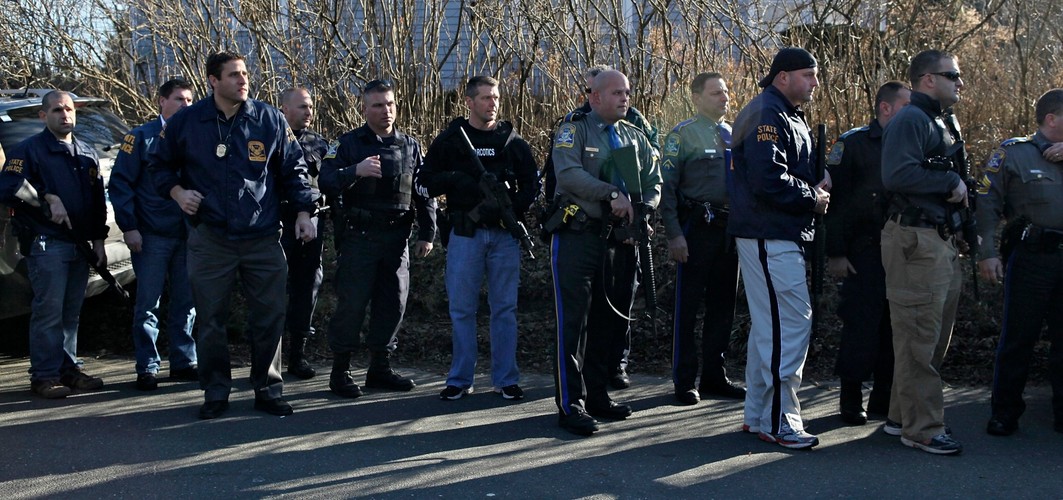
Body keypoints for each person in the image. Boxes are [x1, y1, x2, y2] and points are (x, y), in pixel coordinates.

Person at [149, 52, 318, 419]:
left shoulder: (269, 119)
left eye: (245, 74)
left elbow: (294, 169)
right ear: (212, 80)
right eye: (233, 75)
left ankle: (268, 389)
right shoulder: (187, 122)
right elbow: (158, 165)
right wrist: (178, 193)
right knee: (210, 319)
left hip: (261, 237)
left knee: (270, 315)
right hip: (211, 238)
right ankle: (215, 391)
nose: (243, 81)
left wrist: (304, 212)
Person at [549, 69, 661, 436]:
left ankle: (597, 396)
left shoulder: (634, 136)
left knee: (606, 322)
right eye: (616, 93)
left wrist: (642, 211)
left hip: (618, 243)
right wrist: (611, 194)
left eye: (627, 92)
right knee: (574, 324)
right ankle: (571, 405)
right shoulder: (575, 129)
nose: (625, 98)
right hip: (579, 238)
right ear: (595, 97)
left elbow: (654, 181)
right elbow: (568, 175)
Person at [729, 47, 830, 449]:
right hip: (769, 233)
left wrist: (813, 183)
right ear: (782, 76)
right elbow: (769, 181)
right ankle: (779, 420)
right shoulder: (768, 113)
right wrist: (813, 197)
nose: (815, 82)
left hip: (773, 233)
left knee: (771, 326)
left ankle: (759, 414)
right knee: (789, 325)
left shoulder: (781, 112)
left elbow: (781, 171)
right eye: (808, 74)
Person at [417, 76, 539, 401]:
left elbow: (534, 183)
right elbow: (424, 182)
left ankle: (506, 379)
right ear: (469, 102)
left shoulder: (512, 141)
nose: (492, 103)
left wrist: (513, 206)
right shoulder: (452, 140)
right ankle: (460, 379)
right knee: (461, 310)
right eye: (485, 98)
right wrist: (458, 181)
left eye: (496, 97)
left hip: (503, 235)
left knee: (505, 309)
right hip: (465, 234)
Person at [319, 79, 436, 399]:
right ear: (364, 108)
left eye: (390, 104)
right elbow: (325, 179)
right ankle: (340, 371)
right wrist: (354, 170)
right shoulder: (349, 144)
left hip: (397, 239)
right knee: (352, 306)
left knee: (393, 305)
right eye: (378, 105)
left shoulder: (410, 145)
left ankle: (380, 368)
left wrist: (428, 231)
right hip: (360, 237)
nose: (386, 111)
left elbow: (422, 191)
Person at [879, 49, 967, 455]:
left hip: (939, 240)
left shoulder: (941, 119)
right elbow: (896, 173)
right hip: (916, 240)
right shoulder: (912, 118)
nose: (960, 82)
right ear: (928, 79)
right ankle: (924, 429)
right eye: (953, 75)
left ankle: (902, 416)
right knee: (919, 339)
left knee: (929, 340)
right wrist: (947, 179)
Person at [0, 90, 108, 398]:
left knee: (71, 312)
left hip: (80, 244)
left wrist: (99, 239)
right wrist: (45, 197)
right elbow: (7, 187)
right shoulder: (28, 150)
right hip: (47, 243)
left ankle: (68, 370)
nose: (65, 115)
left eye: (69, 109)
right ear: (43, 116)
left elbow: (96, 200)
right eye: (58, 110)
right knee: (49, 311)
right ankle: (44, 376)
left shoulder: (85, 150)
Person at [976, 88, 1063, 437]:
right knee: (1018, 339)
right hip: (1032, 259)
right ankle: (1005, 412)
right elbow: (986, 203)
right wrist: (987, 252)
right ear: (1051, 119)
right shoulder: (1014, 153)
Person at [825, 81, 912, 424]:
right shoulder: (853, 144)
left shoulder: (911, 145)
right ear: (886, 108)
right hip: (863, 251)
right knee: (860, 326)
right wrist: (836, 253)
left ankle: (883, 399)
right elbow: (835, 204)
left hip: (902, 250)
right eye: (907, 106)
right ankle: (850, 400)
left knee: (895, 327)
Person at [659, 72, 745, 405]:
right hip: (696, 229)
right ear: (696, 98)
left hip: (729, 231)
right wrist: (674, 234)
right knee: (688, 306)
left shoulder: (734, 133)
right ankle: (684, 380)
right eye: (715, 94)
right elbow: (666, 188)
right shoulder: (681, 136)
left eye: (725, 92)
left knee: (724, 306)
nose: (723, 98)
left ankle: (714, 376)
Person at [109, 79, 198, 391]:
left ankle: (184, 362)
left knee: (186, 304)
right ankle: (147, 367)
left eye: (190, 100)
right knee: (148, 303)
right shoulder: (141, 137)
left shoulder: (195, 137)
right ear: (161, 101)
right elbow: (120, 185)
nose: (185, 105)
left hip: (188, 234)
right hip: (151, 235)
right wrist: (130, 227)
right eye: (179, 99)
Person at [278, 87, 329, 380]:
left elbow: (330, 182)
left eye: (310, 107)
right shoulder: (271, 140)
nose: (308, 112)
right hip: (278, 223)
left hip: (311, 224)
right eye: (302, 107)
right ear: (285, 109)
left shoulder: (320, 144)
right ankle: (268, 356)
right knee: (272, 289)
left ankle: (298, 355)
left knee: (307, 287)